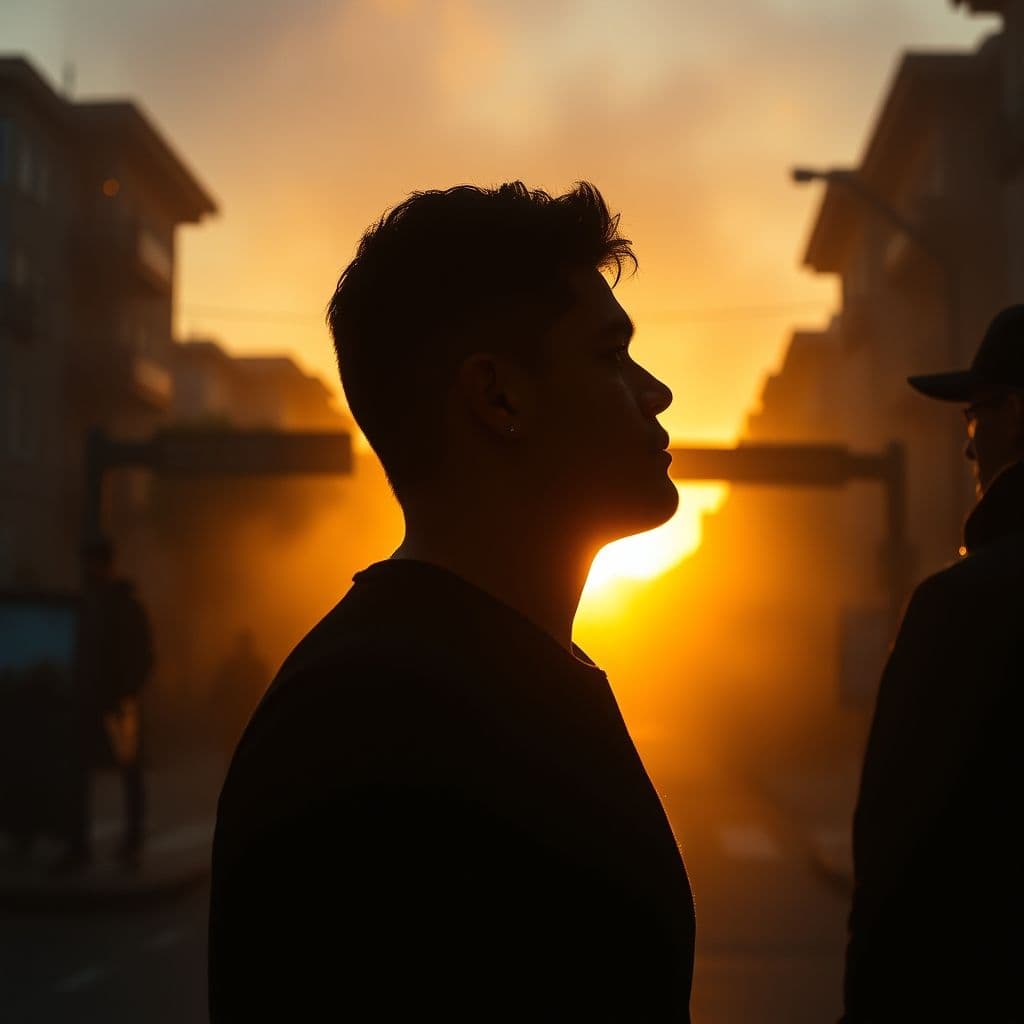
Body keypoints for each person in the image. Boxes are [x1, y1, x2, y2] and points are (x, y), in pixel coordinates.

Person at [208, 182, 695, 1021]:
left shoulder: (505, 673)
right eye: (611, 354)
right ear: (498, 397)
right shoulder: (364, 719)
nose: (657, 392)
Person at [841, 304, 1024, 1022]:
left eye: (973, 416)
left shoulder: (966, 606)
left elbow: (901, 864)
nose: (968, 448)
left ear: (1014, 414)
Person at [53, 538, 154, 873]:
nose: (87, 570)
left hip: (117, 704)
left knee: (128, 773)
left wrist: (124, 692)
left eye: (92, 563)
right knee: (78, 773)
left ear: (105, 564)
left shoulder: (123, 606)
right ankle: (80, 845)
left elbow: (143, 656)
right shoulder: (89, 603)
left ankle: (131, 843)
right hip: (88, 701)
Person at [208, 629, 268, 762]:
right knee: (238, 748)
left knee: (239, 748)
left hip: (247, 713)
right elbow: (218, 690)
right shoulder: (251, 666)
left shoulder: (253, 666)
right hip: (240, 715)